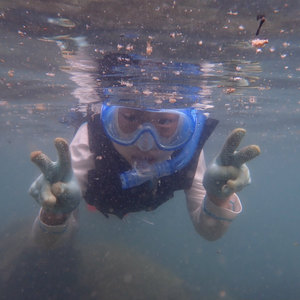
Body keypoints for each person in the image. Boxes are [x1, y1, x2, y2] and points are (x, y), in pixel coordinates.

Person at [28, 53, 260, 247]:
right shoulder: (88, 140)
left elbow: (209, 232)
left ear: (184, 129)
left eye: (165, 123)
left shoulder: (187, 151)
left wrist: (219, 197)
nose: (145, 143)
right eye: (129, 118)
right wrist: (54, 213)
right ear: (109, 121)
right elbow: (48, 244)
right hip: (100, 196)